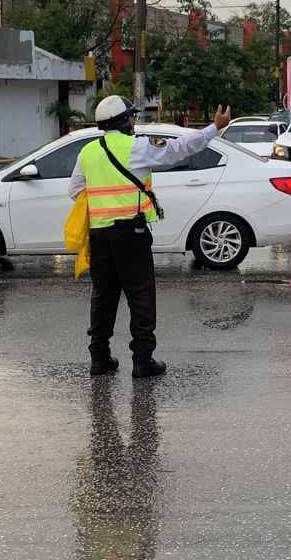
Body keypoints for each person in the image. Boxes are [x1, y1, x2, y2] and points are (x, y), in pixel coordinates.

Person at [69, 96, 232, 378]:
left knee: (103, 296)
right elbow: (180, 149)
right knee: (140, 295)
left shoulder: (87, 152)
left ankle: (100, 358)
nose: (134, 121)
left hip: (99, 236)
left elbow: (75, 190)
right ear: (124, 120)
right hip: (131, 232)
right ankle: (143, 361)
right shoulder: (136, 147)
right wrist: (214, 128)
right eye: (132, 117)